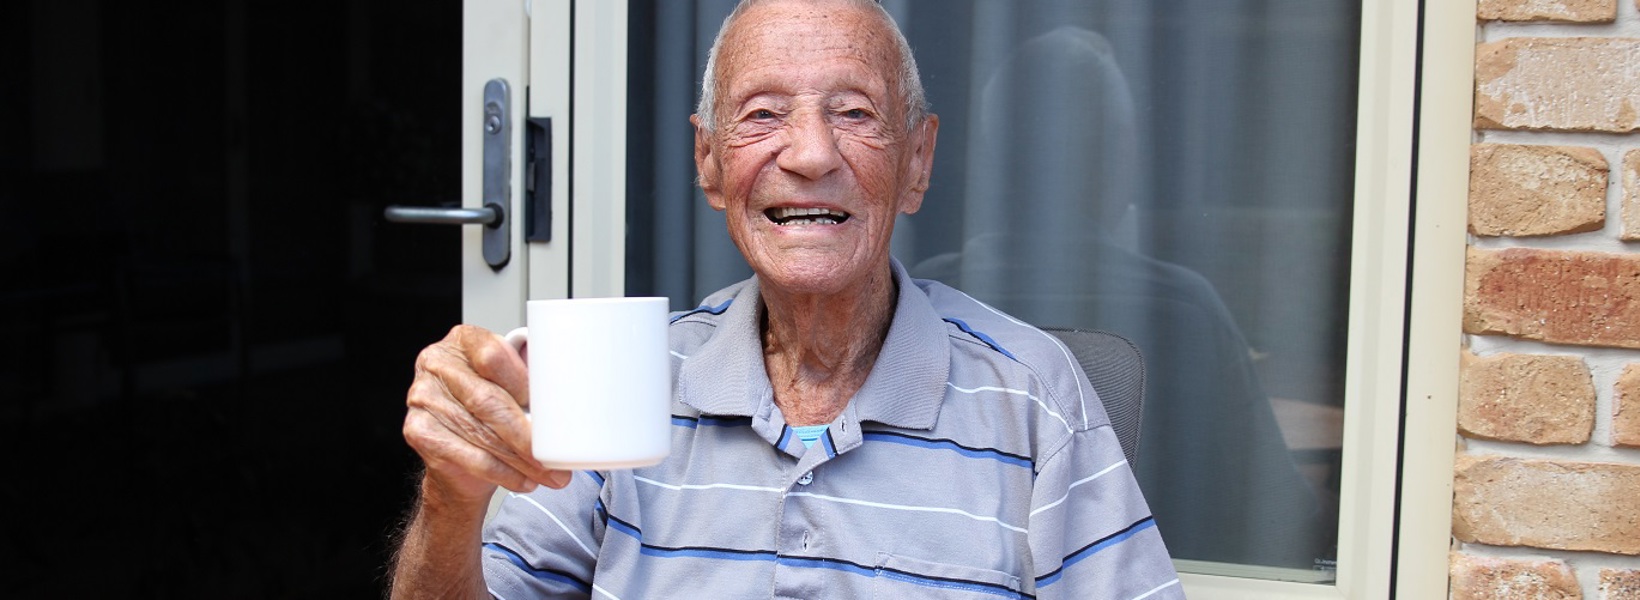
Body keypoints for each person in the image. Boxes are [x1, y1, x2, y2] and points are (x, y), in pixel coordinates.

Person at [390, 1, 1182, 598]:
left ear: (917, 161)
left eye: (854, 113)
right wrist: (452, 501)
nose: (809, 155)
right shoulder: (629, 385)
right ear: (708, 161)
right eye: (763, 114)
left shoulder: (1033, 396)